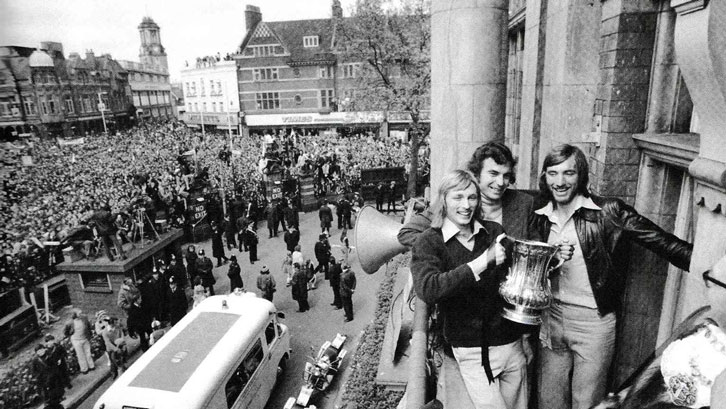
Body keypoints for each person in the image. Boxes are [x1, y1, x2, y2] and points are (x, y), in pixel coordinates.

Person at [527, 144, 693, 409]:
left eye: (568, 173)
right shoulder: (538, 214)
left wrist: (709, 265)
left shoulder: (608, 212)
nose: (560, 181)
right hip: (551, 319)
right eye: (553, 173)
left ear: (581, 175)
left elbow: (662, 242)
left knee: (588, 402)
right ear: (544, 177)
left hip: (593, 322)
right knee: (549, 401)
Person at [410, 169, 529, 409]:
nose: (466, 205)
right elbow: (429, 288)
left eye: (472, 197)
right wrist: (482, 262)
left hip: (510, 345)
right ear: (443, 199)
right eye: (458, 197)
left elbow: (517, 280)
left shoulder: (494, 231)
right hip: (471, 350)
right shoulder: (429, 241)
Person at [399, 141, 538, 247]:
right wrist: (448, 248)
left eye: (506, 175)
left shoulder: (524, 203)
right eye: (493, 174)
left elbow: (536, 246)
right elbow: (407, 233)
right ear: (477, 173)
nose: (501, 182)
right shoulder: (456, 202)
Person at [63, 309, 95, 374]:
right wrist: (70, 336)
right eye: (79, 313)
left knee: (88, 352)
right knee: (80, 355)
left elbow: (88, 326)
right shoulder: (70, 323)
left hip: (85, 338)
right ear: (75, 315)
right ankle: (84, 369)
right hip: (76, 340)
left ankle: (91, 366)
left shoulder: (84, 318)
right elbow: (65, 331)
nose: (81, 314)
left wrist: (89, 334)